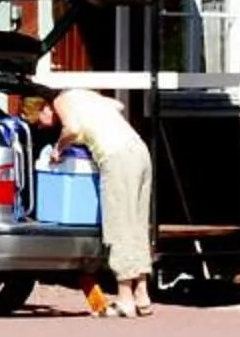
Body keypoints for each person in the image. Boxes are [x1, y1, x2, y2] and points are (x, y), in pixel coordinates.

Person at [27, 86, 155, 317]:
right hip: (139, 151)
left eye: (38, 120)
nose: (42, 126)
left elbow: (72, 129)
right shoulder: (82, 95)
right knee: (136, 224)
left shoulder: (61, 101)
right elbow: (118, 106)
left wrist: (59, 148)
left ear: (46, 107)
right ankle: (142, 295)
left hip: (116, 158)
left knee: (119, 227)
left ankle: (125, 298)